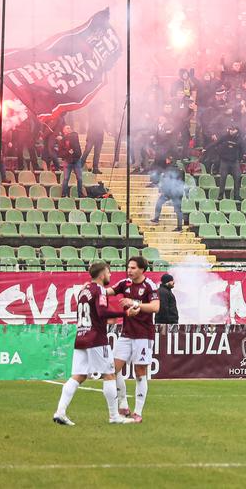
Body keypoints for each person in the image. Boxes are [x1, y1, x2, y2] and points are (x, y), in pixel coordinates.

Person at [52, 260, 134, 426]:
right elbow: (102, 312)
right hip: (96, 338)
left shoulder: (84, 290)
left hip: (81, 336)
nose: (110, 275)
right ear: (102, 274)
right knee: (109, 374)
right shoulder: (99, 290)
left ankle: (60, 411)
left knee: (79, 375)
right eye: (109, 272)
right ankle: (114, 416)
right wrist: (125, 313)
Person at [111, 255, 160, 422]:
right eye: (128, 267)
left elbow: (155, 307)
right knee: (112, 370)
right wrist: (94, 287)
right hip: (126, 334)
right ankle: (123, 403)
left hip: (143, 335)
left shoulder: (149, 286)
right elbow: (109, 291)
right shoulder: (125, 283)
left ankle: (138, 412)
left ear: (142, 270)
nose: (129, 270)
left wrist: (136, 304)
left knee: (140, 373)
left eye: (133, 268)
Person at [151, 159, 185, 231]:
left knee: (159, 203)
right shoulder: (181, 170)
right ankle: (180, 227)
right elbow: (182, 182)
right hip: (177, 192)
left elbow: (165, 180)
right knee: (178, 210)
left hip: (169, 191)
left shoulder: (168, 169)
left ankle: (156, 218)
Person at [57, 124, 84, 197]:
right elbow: (60, 153)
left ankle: (80, 194)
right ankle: (63, 194)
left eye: (70, 128)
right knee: (66, 178)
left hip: (76, 160)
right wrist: (68, 152)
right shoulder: (62, 141)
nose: (69, 129)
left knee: (80, 178)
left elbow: (74, 137)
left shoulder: (74, 136)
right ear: (63, 130)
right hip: (67, 161)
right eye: (67, 128)